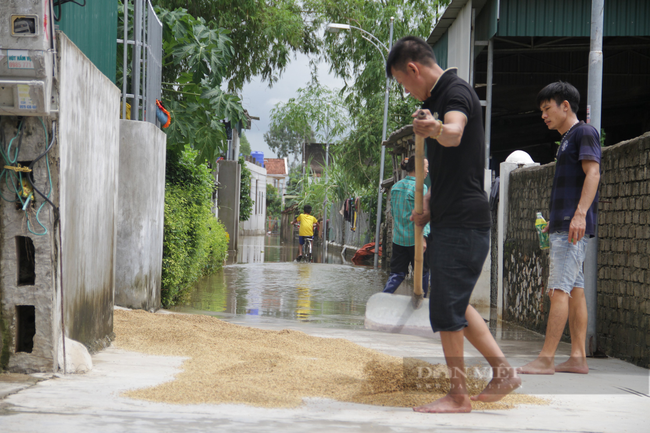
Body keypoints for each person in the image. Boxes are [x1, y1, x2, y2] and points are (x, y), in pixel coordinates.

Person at [386, 35, 520, 413]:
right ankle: (503, 371)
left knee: (446, 308)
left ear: (413, 69)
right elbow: (451, 168)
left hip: (463, 223)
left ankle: (458, 395)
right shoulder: (435, 100)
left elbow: (455, 132)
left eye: (402, 83)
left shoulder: (455, 93)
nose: (407, 91)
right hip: (454, 218)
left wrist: (436, 130)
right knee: (456, 304)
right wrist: (428, 204)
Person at [517, 81, 601, 375]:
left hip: (572, 227)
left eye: (547, 108)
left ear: (565, 106)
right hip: (564, 224)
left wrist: (579, 215)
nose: (543, 115)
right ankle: (577, 357)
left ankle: (546, 358)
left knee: (558, 290)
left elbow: (593, 173)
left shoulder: (584, 132)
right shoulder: (568, 138)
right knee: (575, 290)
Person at [383, 156, 431, 298]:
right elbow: (423, 214)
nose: (427, 170)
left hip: (399, 239)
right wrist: (424, 238)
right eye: (426, 167)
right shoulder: (420, 187)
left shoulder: (396, 187)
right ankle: (420, 303)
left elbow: (393, 213)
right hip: (416, 240)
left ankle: (383, 298)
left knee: (397, 274)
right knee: (421, 273)